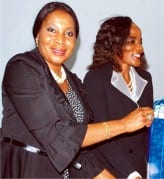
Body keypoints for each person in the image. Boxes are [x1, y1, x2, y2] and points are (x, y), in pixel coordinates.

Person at [0, 2, 153, 179]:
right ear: (37, 35)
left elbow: (81, 149)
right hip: (27, 170)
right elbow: (60, 136)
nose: (60, 39)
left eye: (69, 33)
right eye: (52, 30)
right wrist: (124, 125)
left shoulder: (72, 81)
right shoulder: (22, 69)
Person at [83, 16, 153, 179]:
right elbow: (101, 136)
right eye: (132, 41)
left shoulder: (146, 78)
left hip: (140, 170)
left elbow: (146, 133)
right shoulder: (95, 79)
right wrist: (131, 174)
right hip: (109, 170)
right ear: (114, 44)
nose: (140, 48)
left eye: (140, 41)